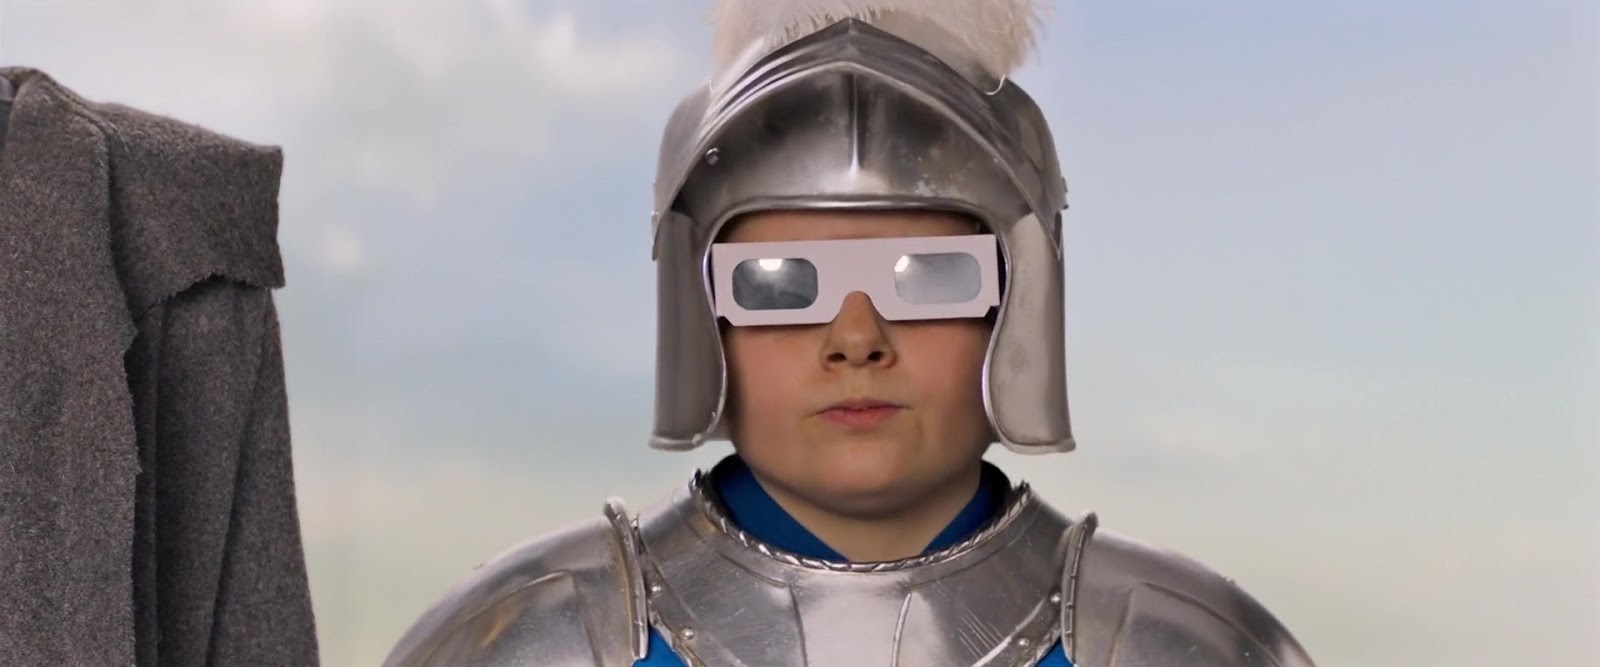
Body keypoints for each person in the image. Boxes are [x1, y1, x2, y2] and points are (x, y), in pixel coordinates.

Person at [384, 1, 1317, 665]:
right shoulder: (526, 641)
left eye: (929, 276)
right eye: (781, 284)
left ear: (1015, 298)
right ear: (702, 313)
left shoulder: (1181, 645)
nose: (857, 337)